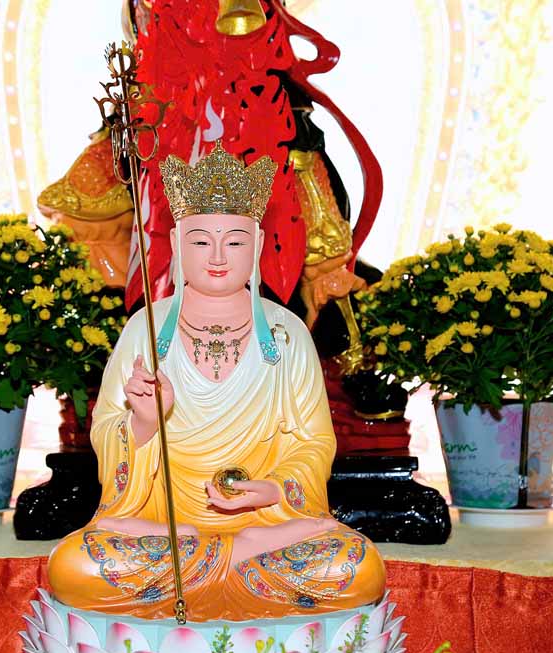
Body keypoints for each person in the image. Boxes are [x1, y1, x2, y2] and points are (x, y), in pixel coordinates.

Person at [47, 142, 386, 621]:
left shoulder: (287, 333)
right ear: (177, 245)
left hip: (263, 524)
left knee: (358, 567)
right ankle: (232, 559)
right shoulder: (146, 329)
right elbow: (107, 431)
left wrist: (276, 490)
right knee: (73, 566)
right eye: (202, 242)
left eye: (236, 242)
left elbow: (314, 442)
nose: (219, 257)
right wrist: (143, 424)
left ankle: (214, 561)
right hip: (167, 524)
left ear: (259, 245)